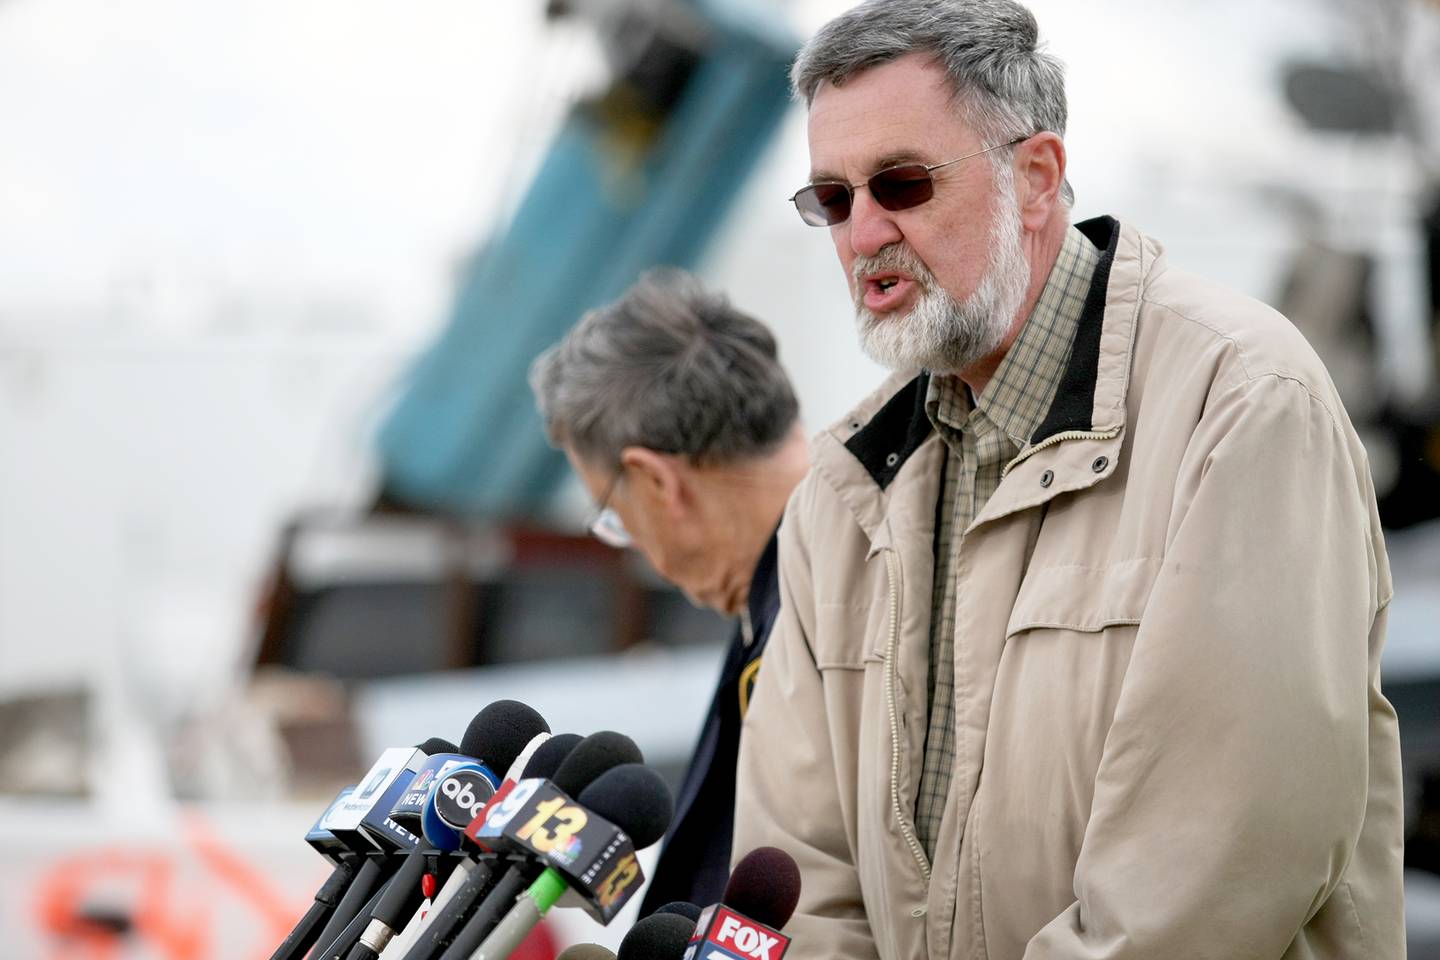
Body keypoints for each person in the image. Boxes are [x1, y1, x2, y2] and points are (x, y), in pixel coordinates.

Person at [731, 1, 1405, 958]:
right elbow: (796, 882)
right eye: (832, 200)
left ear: (1035, 176)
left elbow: (1205, 885)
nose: (862, 233)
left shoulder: (1243, 403)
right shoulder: (842, 492)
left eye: (902, 183)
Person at [529, 267, 810, 912]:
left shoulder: (816, 614)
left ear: (657, 484)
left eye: (615, 518)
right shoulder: (818, 580)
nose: (639, 552)